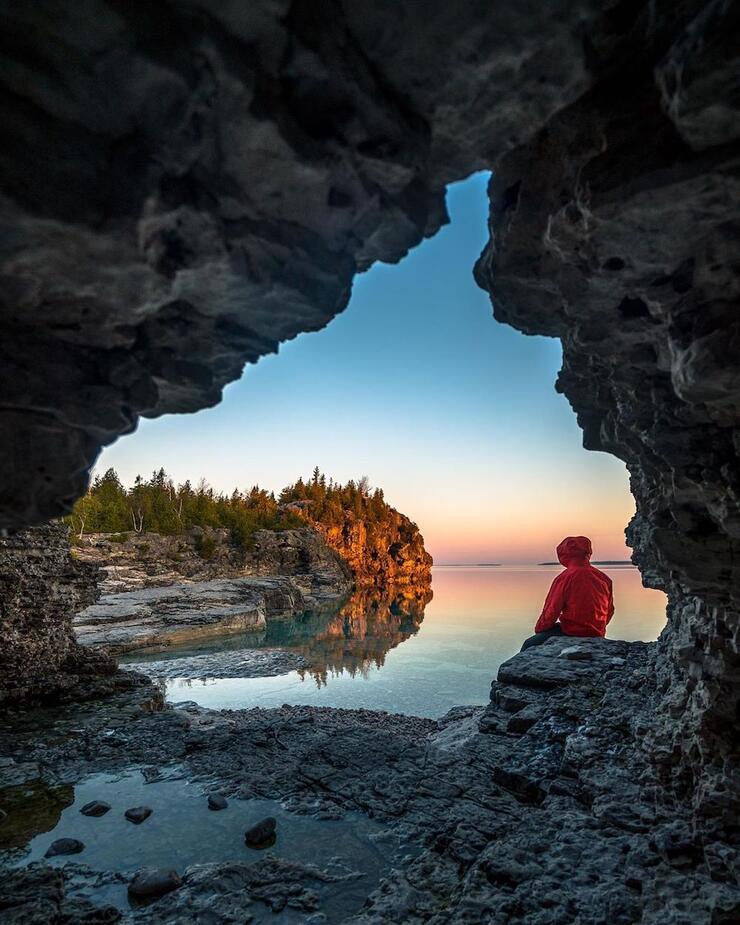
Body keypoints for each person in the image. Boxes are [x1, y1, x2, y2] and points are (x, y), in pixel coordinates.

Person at [520, 536, 614, 651]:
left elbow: (551, 611)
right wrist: (597, 629)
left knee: (529, 644)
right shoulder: (604, 578)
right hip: (596, 633)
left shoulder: (566, 577)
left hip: (571, 632)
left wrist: (540, 629)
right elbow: (609, 611)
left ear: (564, 554)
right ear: (588, 553)